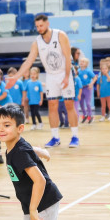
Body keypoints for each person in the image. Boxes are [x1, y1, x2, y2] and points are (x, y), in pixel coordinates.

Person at [15, 14, 80, 148]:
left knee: (69, 104)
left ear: (47, 24)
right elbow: (28, 61)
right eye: (37, 26)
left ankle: (75, 136)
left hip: (64, 72)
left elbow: (68, 58)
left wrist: (67, 76)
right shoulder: (37, 42)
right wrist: (15, 77)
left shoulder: (60, 35)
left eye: (41, 25)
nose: (39, 28)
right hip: (51, 75)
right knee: (52, 105)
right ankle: (55, 137)